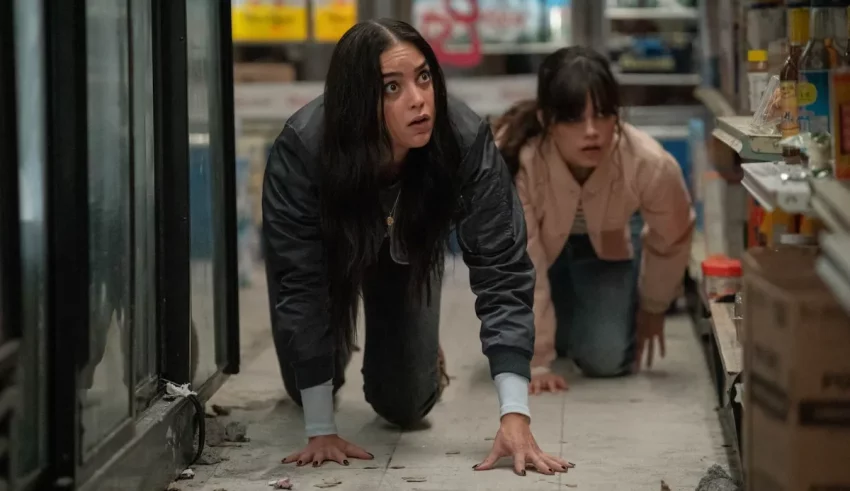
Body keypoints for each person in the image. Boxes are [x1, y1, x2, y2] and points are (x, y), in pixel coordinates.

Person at [262, 19, 572, 476]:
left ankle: (423, 353)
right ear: (358, 99)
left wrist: (515, 414)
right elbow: (299, 281)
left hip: (404, 254)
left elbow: (502, 269)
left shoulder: (463, 138)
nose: (418, 99)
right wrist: (321, 427)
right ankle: (329, 362)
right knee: (305, 379)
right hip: (324, 260)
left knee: (407, 405)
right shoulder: (304, 148)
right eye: (392, 87)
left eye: (424, 77)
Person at [493, 46, 695, 395]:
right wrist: (536, 358)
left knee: (606, 360)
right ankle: (563, 311)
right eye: (574, 118)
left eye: (603, 114)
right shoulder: (519, 161)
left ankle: (576, 311)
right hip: (541, 247)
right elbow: (524, 261)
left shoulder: (648, 163)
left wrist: (654, 305)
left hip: (609, 239)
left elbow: (673, 235)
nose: (592, 131)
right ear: (546, 120)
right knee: (552, 335)